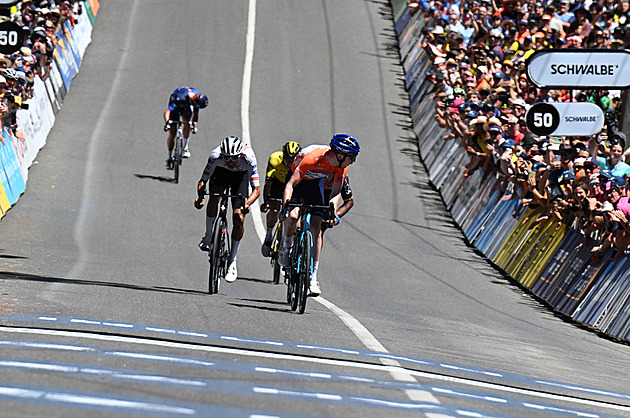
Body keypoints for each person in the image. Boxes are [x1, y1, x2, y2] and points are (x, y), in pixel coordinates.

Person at [278, 134, 360, 297]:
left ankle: (313, 277)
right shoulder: (312, 158)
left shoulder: (342, 166)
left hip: (316, 183)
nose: (354, 161)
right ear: (340, 155)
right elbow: (290, 184)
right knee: (293, 216)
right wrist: (286, 205)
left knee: (316, 226)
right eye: (352, 157)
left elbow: (336, 191)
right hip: (298, 181)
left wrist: (331, 211)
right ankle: (286, 247)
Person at [194, 136, 260, 283]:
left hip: (240, 178)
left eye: (234, 158)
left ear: (241, 155)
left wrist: (247, 204)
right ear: (222, 155)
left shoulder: (249, 158)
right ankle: (208, 236)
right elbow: (202, 181)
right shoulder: (215, 156)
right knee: (214, 198)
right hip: (220, 174)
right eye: (227, 158)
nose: (230, 162)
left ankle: (232, 260)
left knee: (239, 217)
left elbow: (256, 190)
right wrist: (200, 197)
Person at [260, 140, 302, 257]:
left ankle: (292, 245)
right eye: (287, 160)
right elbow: (268, 183)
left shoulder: (302, 164)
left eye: (292, 161)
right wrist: (266, 201)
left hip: (293, 186)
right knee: (274, 210)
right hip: (278, 185)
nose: (289, 164)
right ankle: (269, 236)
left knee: (296, 217)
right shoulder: (274, 160)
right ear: (283, 156)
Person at [163, 86, 208, 169]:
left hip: (186, 106)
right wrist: (167, 123)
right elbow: (167, 112)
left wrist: (194, 126)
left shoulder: (196, 99)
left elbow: (195, 116)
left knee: (187, 122)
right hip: (177, 104)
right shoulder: (180, 98)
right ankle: (169, 156)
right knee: (172, 132)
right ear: (194, 101)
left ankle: (185, 148)